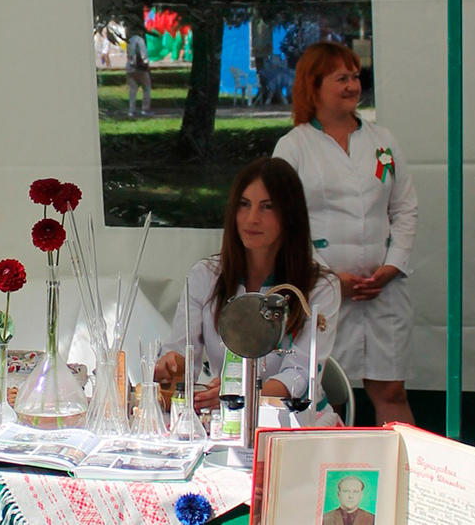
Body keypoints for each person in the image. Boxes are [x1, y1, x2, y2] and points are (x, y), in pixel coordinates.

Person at [274, 41, 419, 426]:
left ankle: (404, 463)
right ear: (313, 87)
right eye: (341, 78)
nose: (353, 85)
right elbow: (284, 222)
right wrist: (329, 278)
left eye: (355, 77)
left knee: (391, 389)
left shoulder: (382, 141)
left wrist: (392, 266)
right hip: (321, 293)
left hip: (382, 291)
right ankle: (331, 458)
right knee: (321, 389)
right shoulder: (294, 147)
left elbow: (405, 208)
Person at [156, 157, 341, 416]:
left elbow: (300, 374)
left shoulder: (320, 286)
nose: (252, 218)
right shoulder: (206, 276)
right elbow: (181, 351)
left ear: (291, 215)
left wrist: (242, 393)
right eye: (244, 205)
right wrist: (171, 366)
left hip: (296, 422)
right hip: (227, 418)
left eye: (267, 207)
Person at [124, 16, 152, 117]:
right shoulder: (140, 40)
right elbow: (143, 54)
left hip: (130, 67)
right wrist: (146, 64)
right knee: (146, 87)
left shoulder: (129, 41)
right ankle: (145, 109)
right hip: (140, 68)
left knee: (133, 89)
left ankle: (131, 110)